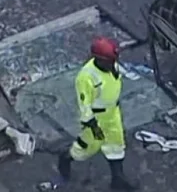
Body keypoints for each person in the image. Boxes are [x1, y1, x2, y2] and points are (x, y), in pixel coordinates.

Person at [56, 37, 137, 190]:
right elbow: (84, 105)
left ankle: (118, 180)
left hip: (113, 114)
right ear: (99, 59)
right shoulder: (86, 77)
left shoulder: (112, 66)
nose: (112, 63)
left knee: (116, 146)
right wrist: (93, 126)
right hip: (96, 119)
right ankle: (65, 158)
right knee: (85, 149)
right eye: (109, 61)